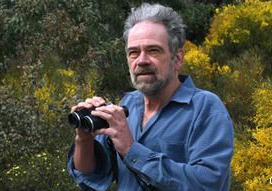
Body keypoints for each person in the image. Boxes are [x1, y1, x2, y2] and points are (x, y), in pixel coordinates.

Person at [67, 3, 233, 191]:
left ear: (177, 59)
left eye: (153, 50)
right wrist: (84, 138)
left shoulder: (205, 108)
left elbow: (208, 184)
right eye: (133, 52)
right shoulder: (127, 104)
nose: (142, 60)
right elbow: (90, 176)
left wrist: (131, 150)